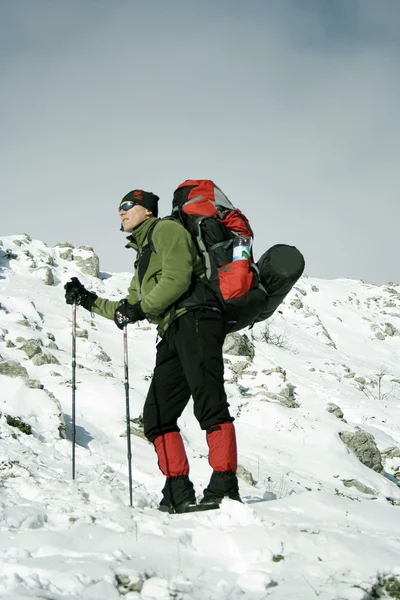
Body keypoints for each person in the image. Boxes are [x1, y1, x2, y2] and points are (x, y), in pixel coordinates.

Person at [64, 189, 241, 513]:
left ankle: (225, 484)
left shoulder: (167, 231)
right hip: (173, 329)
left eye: (128, 206)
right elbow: (130, 307)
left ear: (147, 211)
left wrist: (141, 307)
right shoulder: (144, 252)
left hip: (198, 317)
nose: (122, 212)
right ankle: (177, 490)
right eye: (119, 208)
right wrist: (87, 299)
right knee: (157, 416)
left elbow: (176, 278)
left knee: (208, 399)